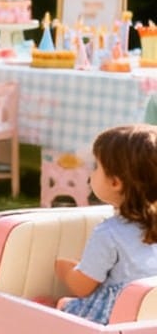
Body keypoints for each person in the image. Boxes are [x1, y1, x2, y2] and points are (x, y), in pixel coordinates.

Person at [54, 122, 157, 322]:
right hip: (151, 314)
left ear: (115, 182)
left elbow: (83, 286)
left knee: (62, 304)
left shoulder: (109, 232)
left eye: (96, 167)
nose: (91, 173)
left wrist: (66, 271)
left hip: (120, 316)